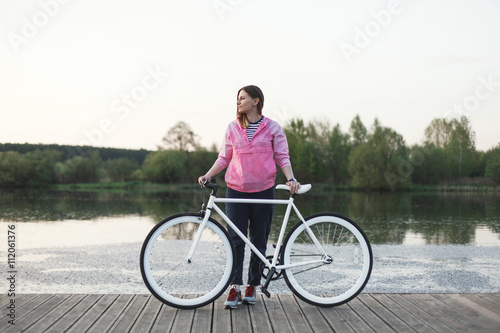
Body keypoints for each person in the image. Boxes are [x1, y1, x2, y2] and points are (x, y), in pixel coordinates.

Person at [198, 85, 300, 309]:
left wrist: (291, 179)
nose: (238, 102)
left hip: (264, 190)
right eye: (237, 98)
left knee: (258, 240)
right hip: (236, 190)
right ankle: (235, 287)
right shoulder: (232, 128)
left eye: (242, 98)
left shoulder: (273, 128)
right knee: (235, 240)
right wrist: (207, 174)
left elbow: (283, 156)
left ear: (256, 101)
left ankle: (253, 285)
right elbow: (224, 158)